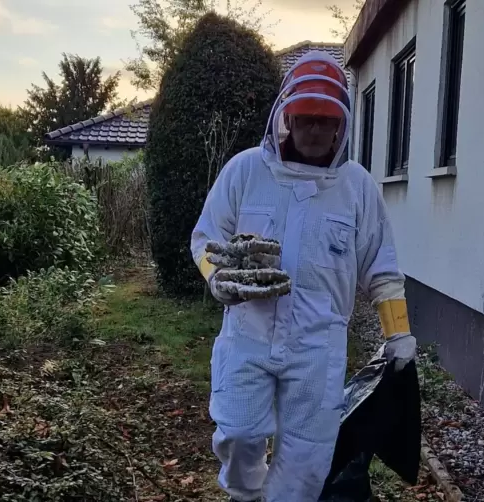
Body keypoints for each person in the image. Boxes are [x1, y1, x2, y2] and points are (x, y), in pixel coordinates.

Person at [190, 50, 416, 502]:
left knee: (307, 461)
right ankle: (245, 496)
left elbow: (382, 267)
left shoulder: (357, 188)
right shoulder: (245, 171)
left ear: (341, 125)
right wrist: (218, 278)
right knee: (237, 433)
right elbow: (205, 238)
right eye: (306, 118)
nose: (315, 130)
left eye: (325, 121)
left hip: (318, 344)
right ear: (286, 119)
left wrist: (399, 335)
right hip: (248, 335)